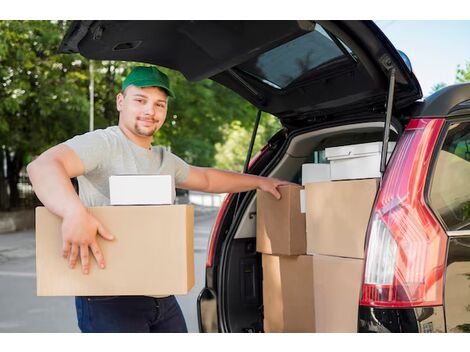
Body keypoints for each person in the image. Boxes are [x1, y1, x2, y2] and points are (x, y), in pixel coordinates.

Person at [27, 65, 292, 333]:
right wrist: (74, 212)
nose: (150, 111)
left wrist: (261, 181)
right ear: (121, 101)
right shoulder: (104, 144)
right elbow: (43, 167)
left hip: (161, 293)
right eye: (140, 100)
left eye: (159, 104)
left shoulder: (163, 159)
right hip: (108, 295)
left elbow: (208, 179)